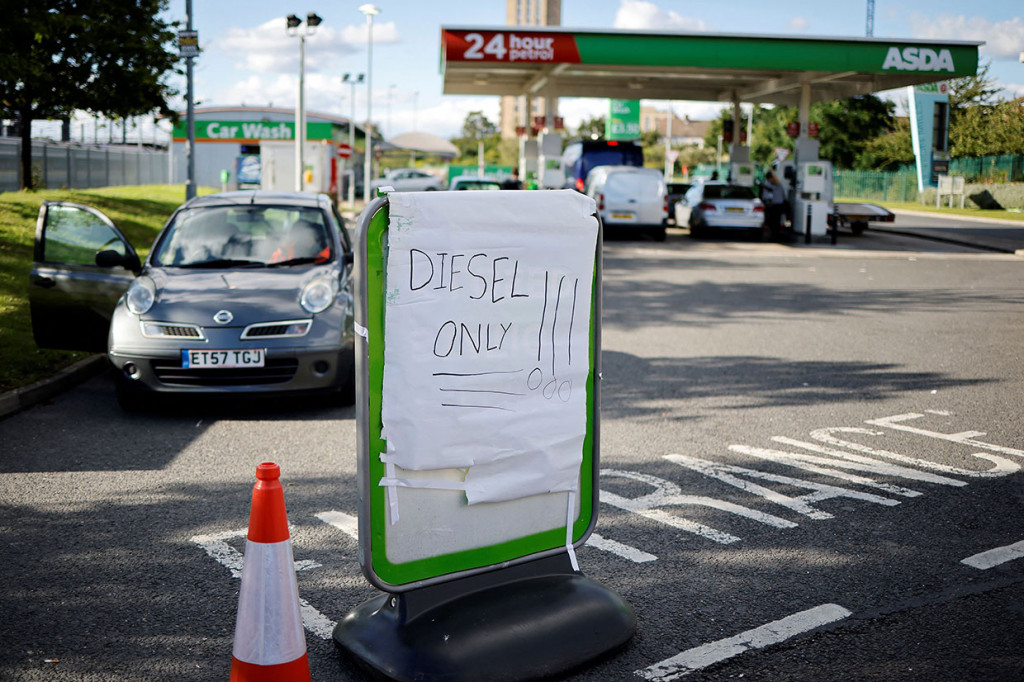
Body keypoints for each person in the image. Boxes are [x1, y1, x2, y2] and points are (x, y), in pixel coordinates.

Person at [763, 171, 787, 241]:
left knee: (776, 222)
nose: (770, 181)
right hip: (772, 206)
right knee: (771, 222)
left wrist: (772, 171)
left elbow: (776, 180)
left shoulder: (778, 185)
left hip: (778, 206)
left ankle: (776, 236)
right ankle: (772, 236)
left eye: (770, 179)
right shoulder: (769, 185)